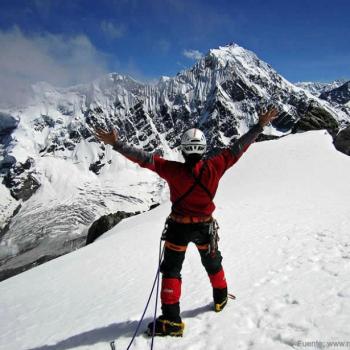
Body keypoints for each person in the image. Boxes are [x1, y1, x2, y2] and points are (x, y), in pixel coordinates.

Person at [95, 107, 278, 337]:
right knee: (212, 262)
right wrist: (259, 126)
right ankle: (220, 298)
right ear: (203, 149)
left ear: (182, 150)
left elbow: (144, 159)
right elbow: (237, 148)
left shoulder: (173, 170)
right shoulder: (215, 166)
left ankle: (171, 321)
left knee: (172, 269)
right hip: (204, 227)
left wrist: (117, 144)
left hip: (178, 228)